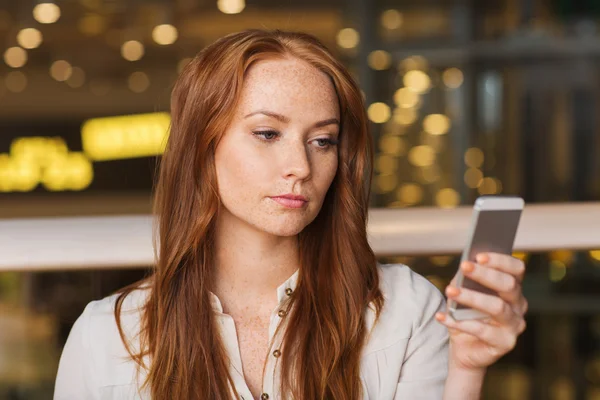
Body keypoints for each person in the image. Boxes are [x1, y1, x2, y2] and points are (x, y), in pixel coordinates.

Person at [54, 29, 528, 400]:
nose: (301, 167)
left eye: (322, 141)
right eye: (267, 134)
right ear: (202, 146)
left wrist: (467, 370)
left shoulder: (407, 310)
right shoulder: (107, 337)